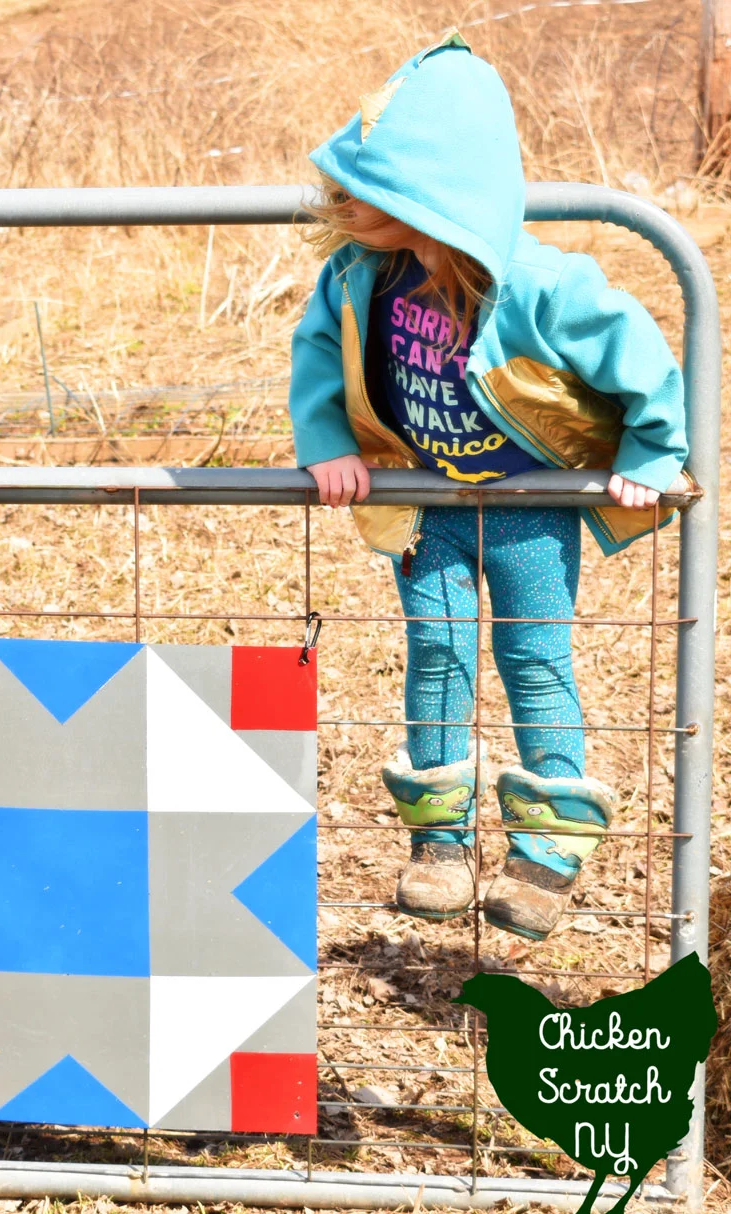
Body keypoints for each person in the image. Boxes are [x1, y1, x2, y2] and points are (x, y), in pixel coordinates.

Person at [289, 30, 689, 942]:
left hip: (527, 507)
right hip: (422, 498)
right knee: (437, 652)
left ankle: (548, 855)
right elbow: (316, 352)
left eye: (375, 201)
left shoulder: (546, 286)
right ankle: (439, 844)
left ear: (441, 200)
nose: (347, 216)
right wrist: (327, 443)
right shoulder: (359, 275)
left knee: (535, 660)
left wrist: (651, 456)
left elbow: (647, 365)